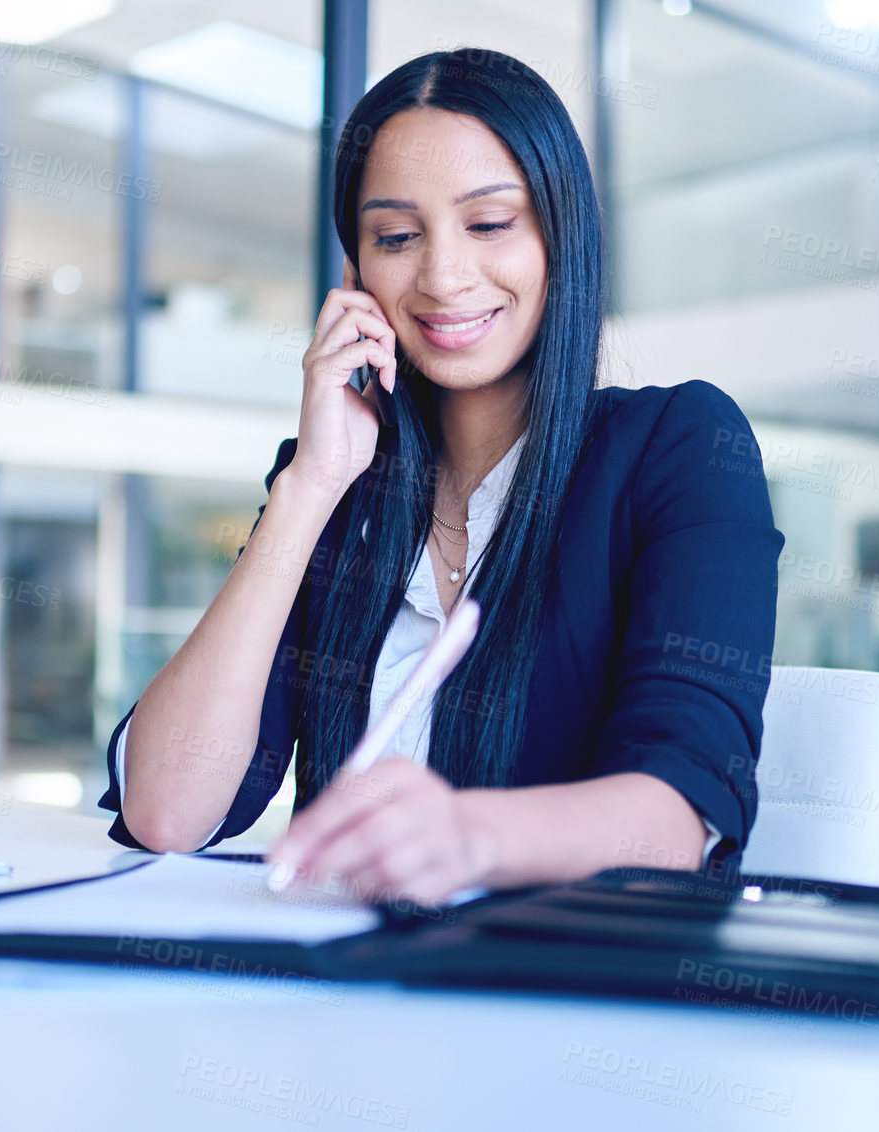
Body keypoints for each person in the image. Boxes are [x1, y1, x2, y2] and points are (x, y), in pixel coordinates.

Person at [98, 47, 782, 907]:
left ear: (560, 238)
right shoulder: (339, 486)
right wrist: (312, 484)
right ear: (355, 274)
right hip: (336, 1002)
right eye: (395, 237)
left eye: (489, 224)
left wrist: (467, 836)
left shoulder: (676, 446)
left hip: (558, 1004)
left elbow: (680, 815)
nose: (443, 277)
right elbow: (168, 811)